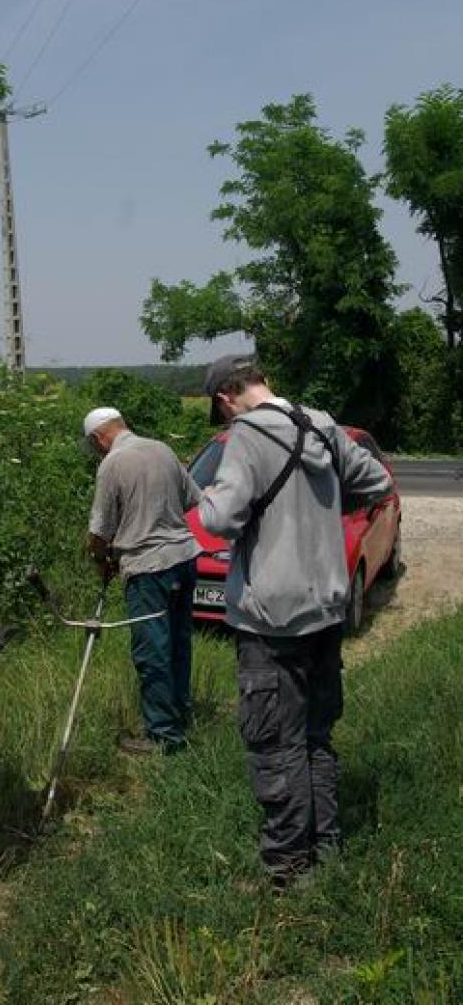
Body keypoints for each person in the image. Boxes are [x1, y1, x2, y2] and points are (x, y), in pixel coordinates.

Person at [199, 355, 392, 890]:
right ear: (265, 381)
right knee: (315, 737)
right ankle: (324, 851)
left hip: (271, 618)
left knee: (273, 741)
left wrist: (209, 496)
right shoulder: (322, 425)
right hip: (326, 609)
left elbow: (220, 520)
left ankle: (286, 868)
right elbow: (376, 482)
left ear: (225, 398)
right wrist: (322, 510)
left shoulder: (245, 437)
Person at [84, 406, 202, 755]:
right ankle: (179, 716)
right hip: (184, 557)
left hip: (148, 567)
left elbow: (99, 530)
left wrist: (99, 558)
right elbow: (193, 499)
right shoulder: (162, 449)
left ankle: (163, 736)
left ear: (97, 438)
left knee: (153, 650)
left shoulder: (112, 464)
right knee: (179, 643)